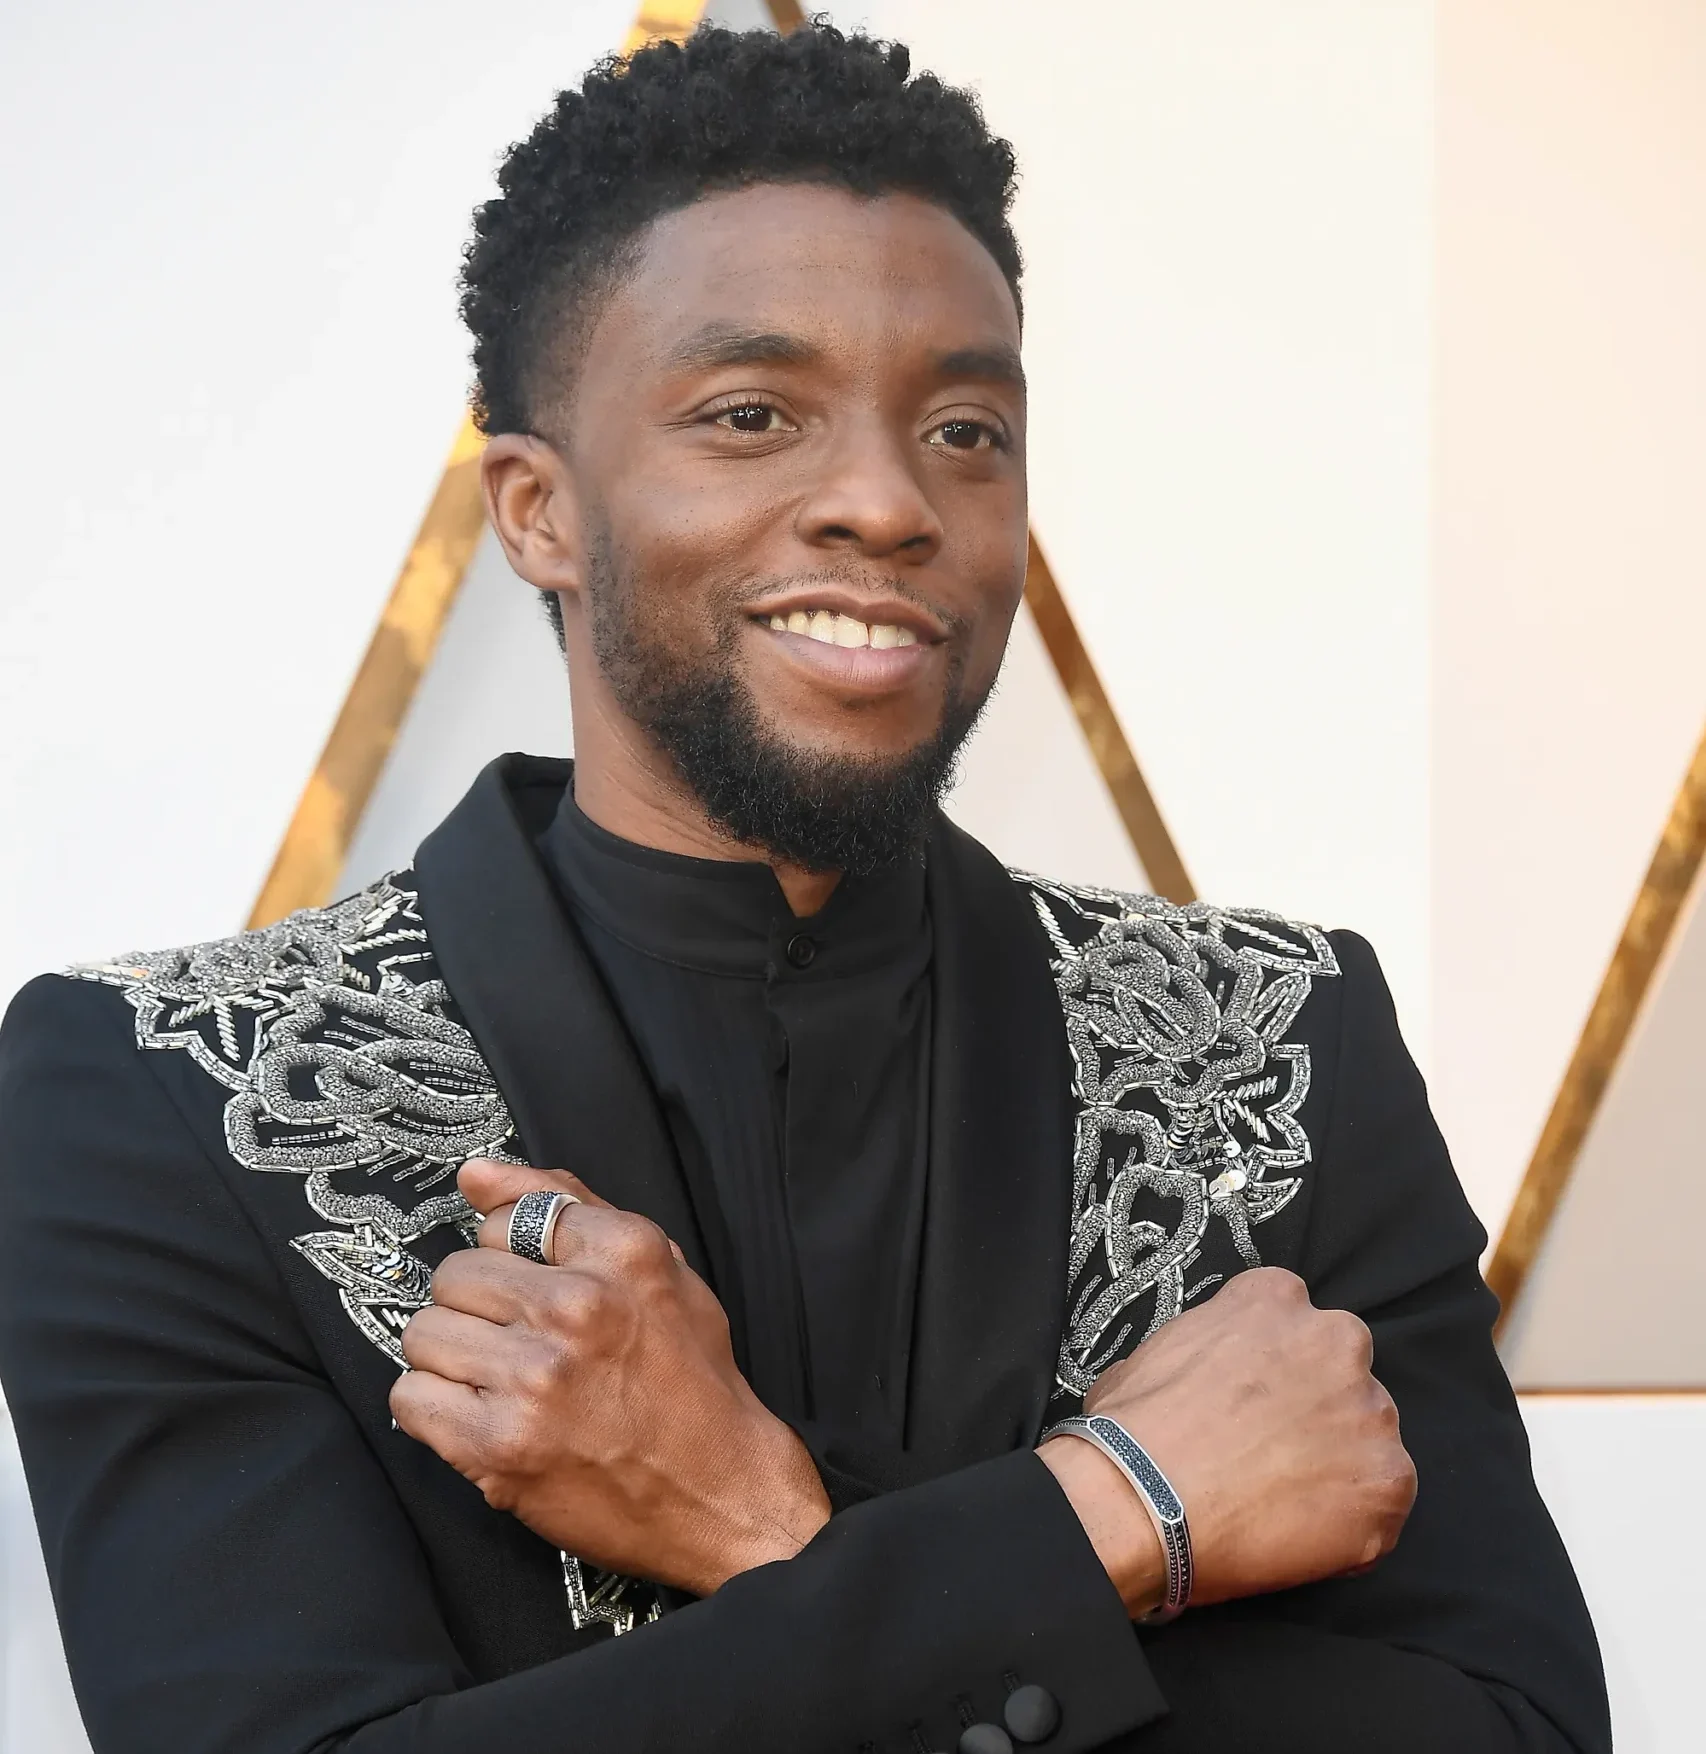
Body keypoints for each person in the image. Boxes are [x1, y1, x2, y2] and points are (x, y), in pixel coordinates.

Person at [0, 22, 1608, 1754]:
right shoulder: (163, 1092)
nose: (887, 500)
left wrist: (754, 1523)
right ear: (536, 509)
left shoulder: (1280, 1042)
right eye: (752, 415)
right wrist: (1111, 1512)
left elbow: (1513, 1736)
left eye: (966, 428)